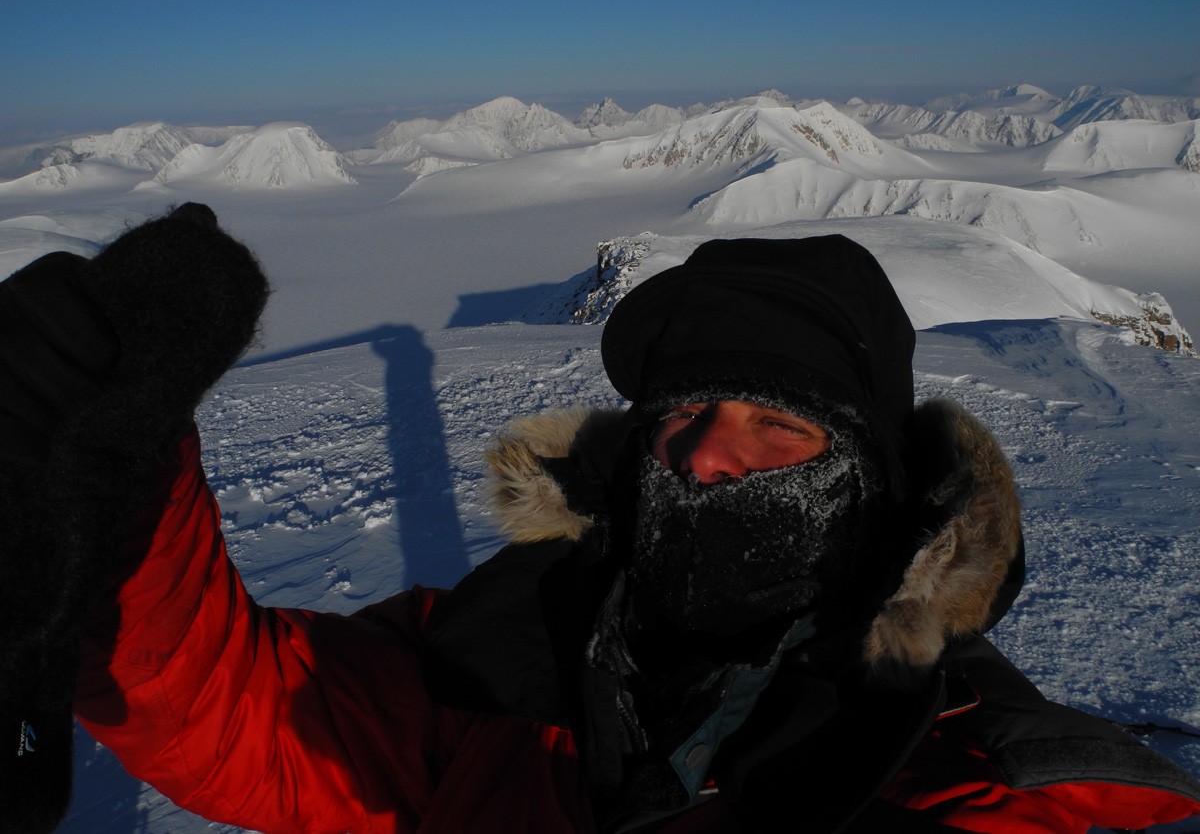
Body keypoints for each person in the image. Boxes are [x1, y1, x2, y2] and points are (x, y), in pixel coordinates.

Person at [1, 204, 1197, 834]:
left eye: (784, 429)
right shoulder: (501, 671)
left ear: (879, 488)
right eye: (684, 415)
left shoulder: (962, 769)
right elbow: (239, 717)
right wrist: (121, 445)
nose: (714, 456)